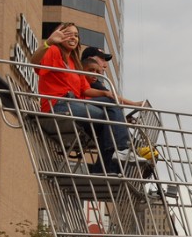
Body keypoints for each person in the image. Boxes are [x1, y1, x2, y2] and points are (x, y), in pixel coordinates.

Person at [30, 23, 137, 173]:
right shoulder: (53, 50)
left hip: (73, 104)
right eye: (67, 34)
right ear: (58, 35)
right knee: (109, 114)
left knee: (107, 122)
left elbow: (84, 89)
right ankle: (122, 150)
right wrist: (49, 42)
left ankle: (103, 169)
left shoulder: (75, 63)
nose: (72, 37)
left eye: (75, 34)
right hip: (59, 105)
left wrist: (105, 93)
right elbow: (35, 64)